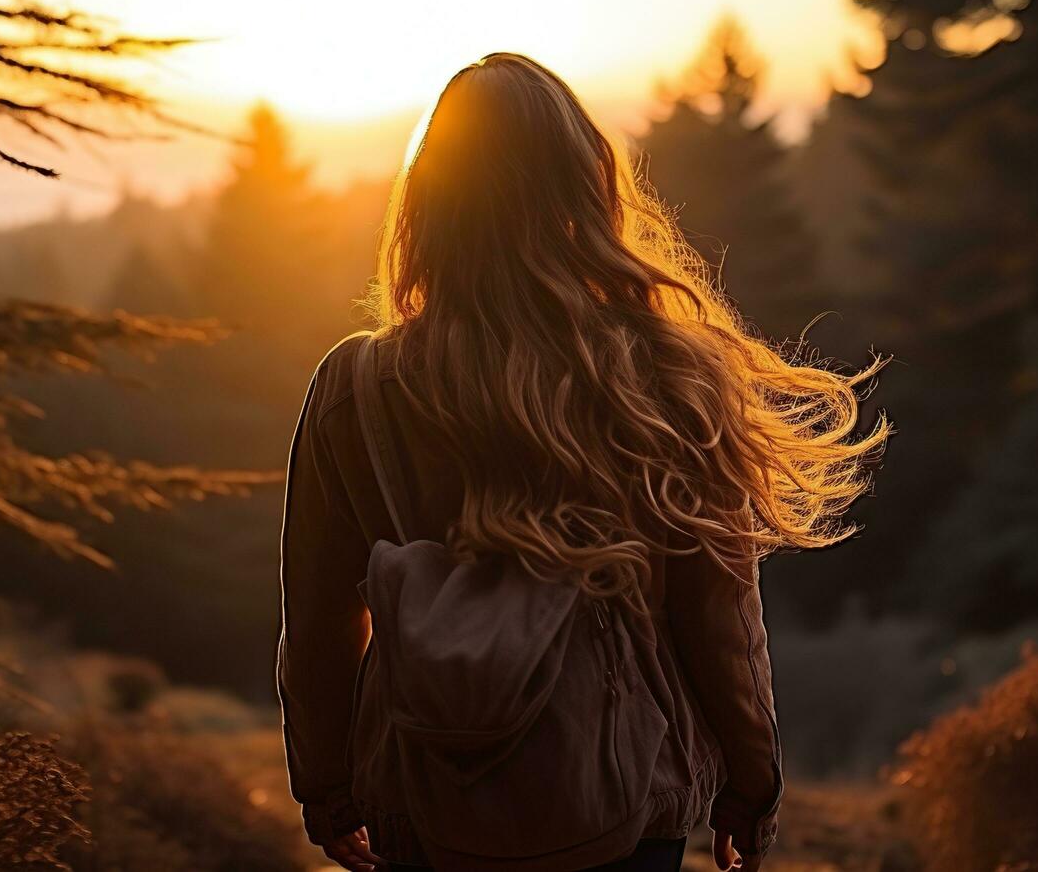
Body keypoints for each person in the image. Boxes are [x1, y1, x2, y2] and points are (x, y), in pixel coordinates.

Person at [277, 53, 889, 872]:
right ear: (585, 188)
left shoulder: (354, 387)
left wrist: (325, 785)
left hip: (426, 798)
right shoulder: (661, 370)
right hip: (627, 799)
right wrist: (752, 778)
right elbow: (719, 614)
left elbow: (318, 619)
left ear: (427, 200)